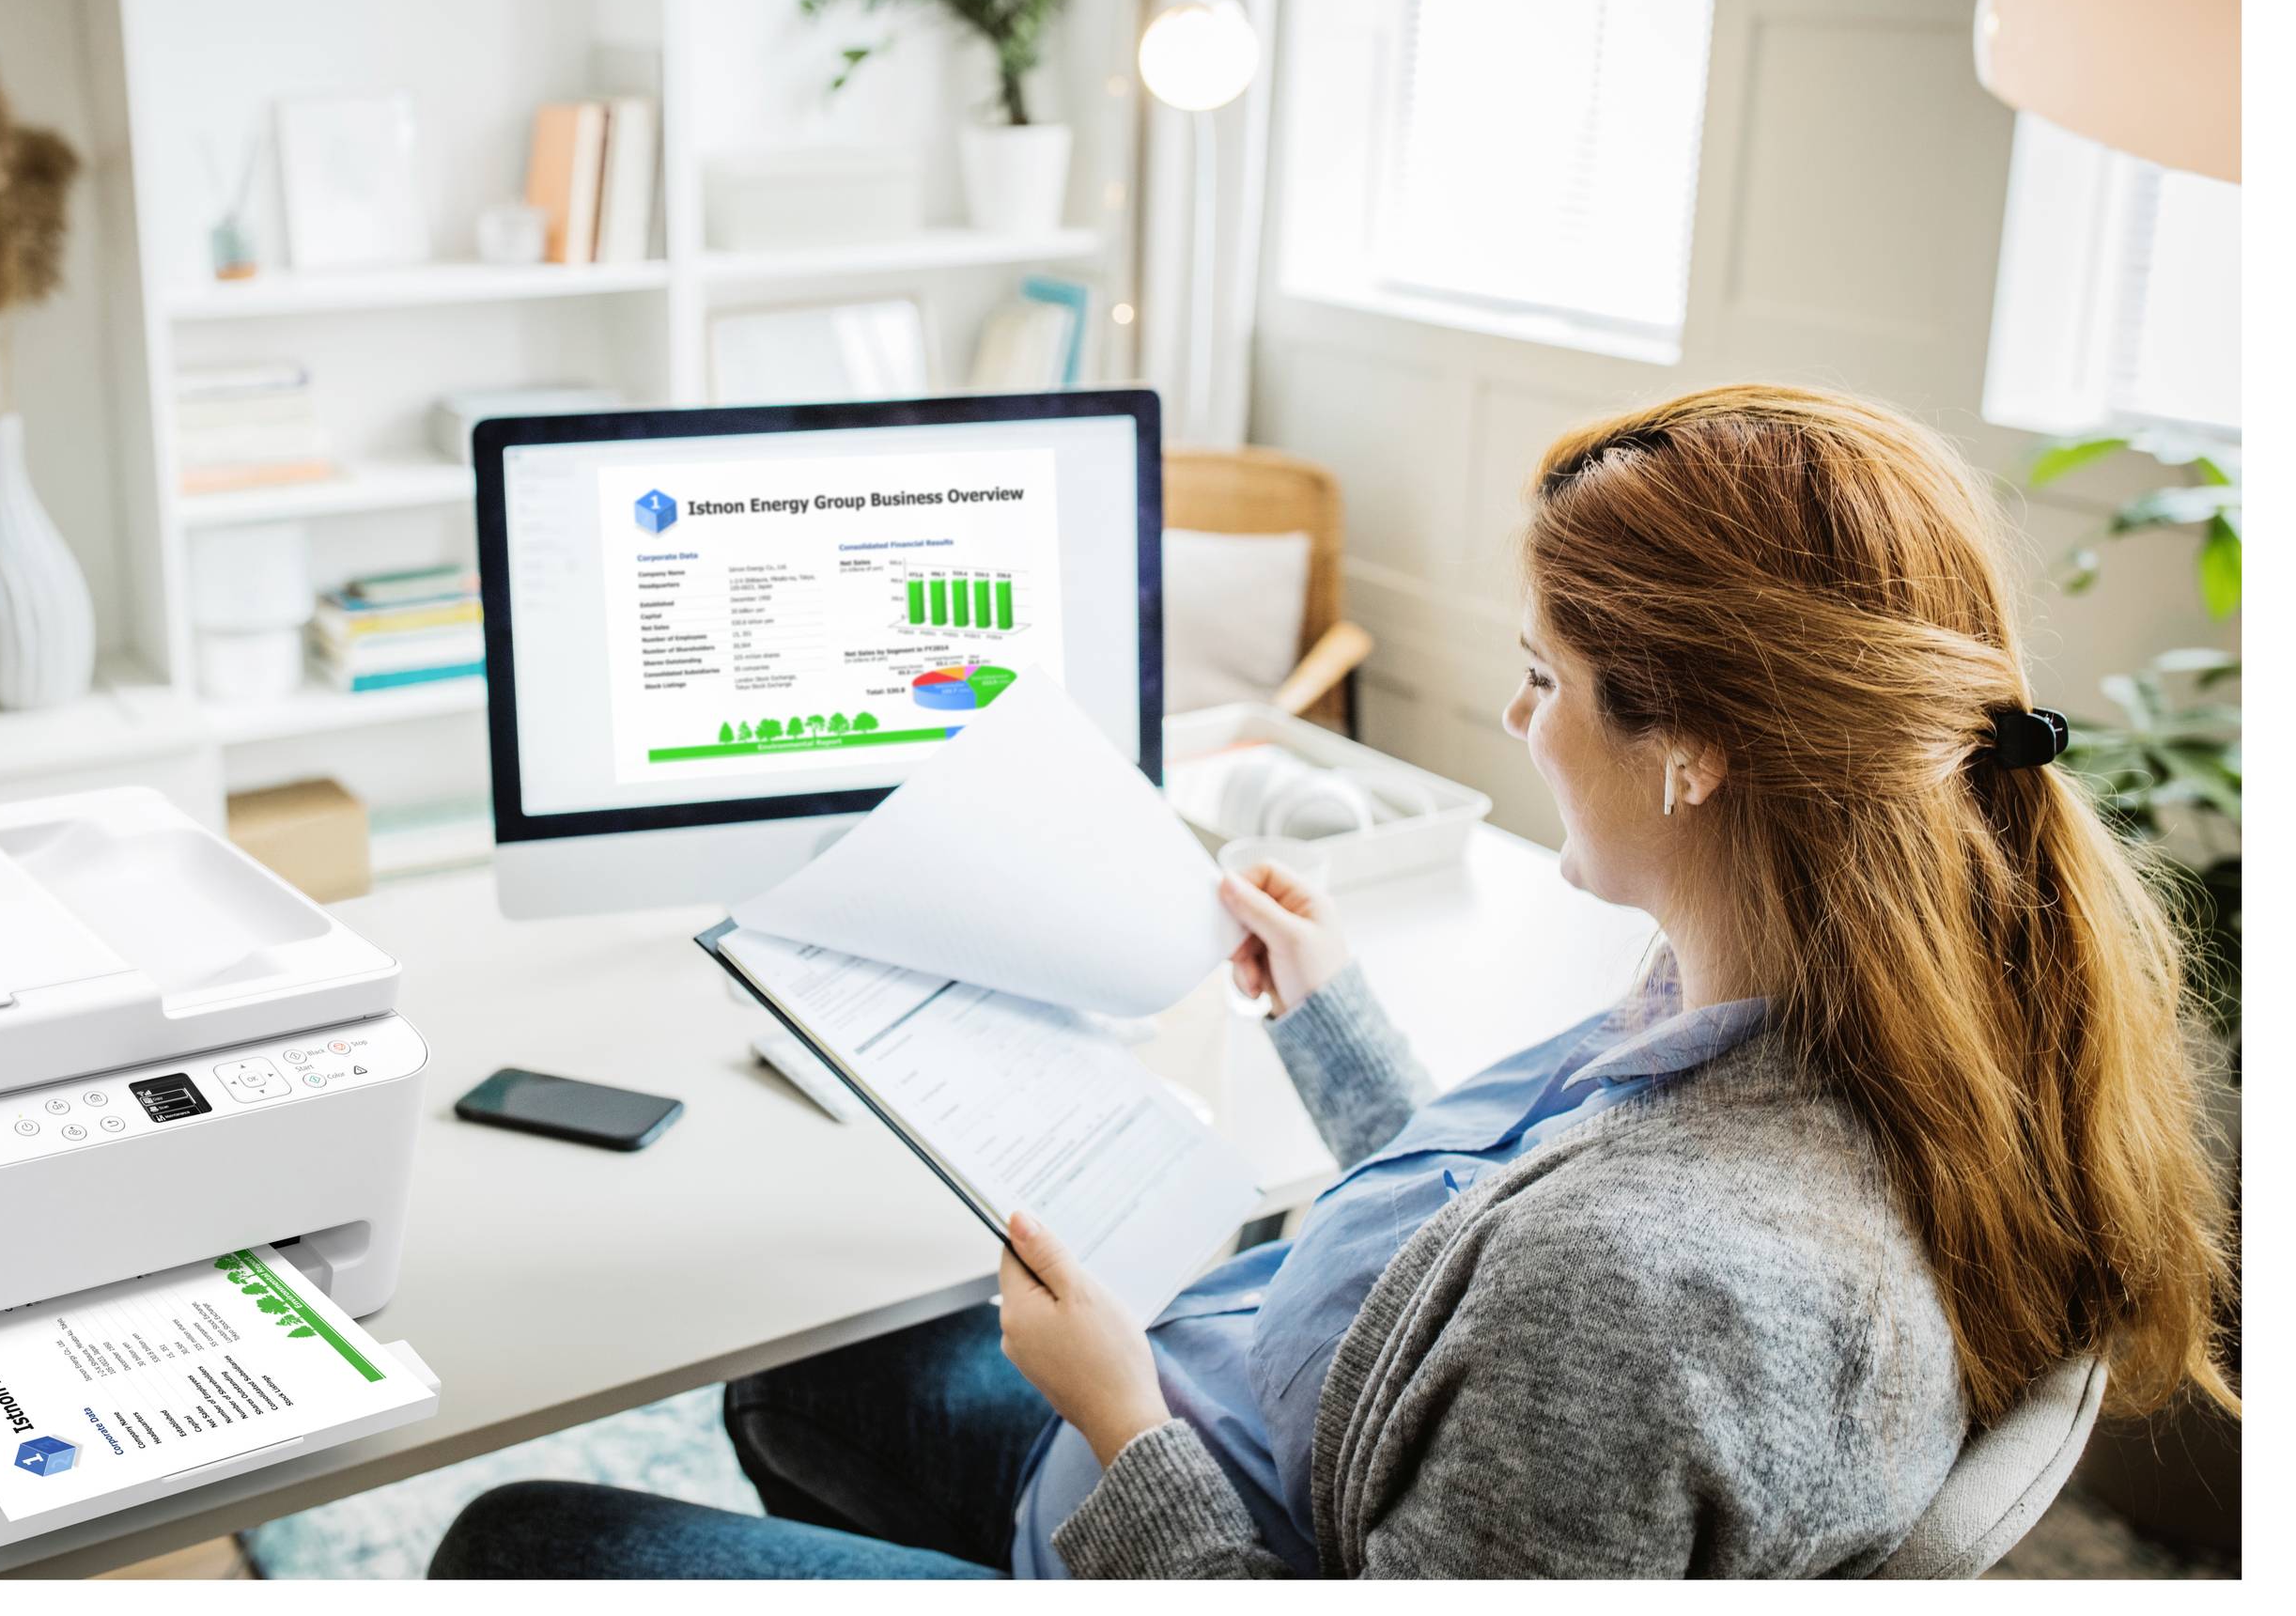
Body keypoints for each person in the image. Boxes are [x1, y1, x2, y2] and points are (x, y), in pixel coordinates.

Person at [431, 385, 2239, 1579]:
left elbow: (1557, 1300)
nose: (1519, 720)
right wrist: (1331, 1017)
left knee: (525, 1537)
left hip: (1197, 1497)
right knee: (804, 1375)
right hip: (1273, 1420)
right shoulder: (1848, 1011)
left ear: (1691, 745)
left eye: (1542, 675)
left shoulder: (1657, 1300)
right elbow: (1488, 1222)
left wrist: (1119, 1414)